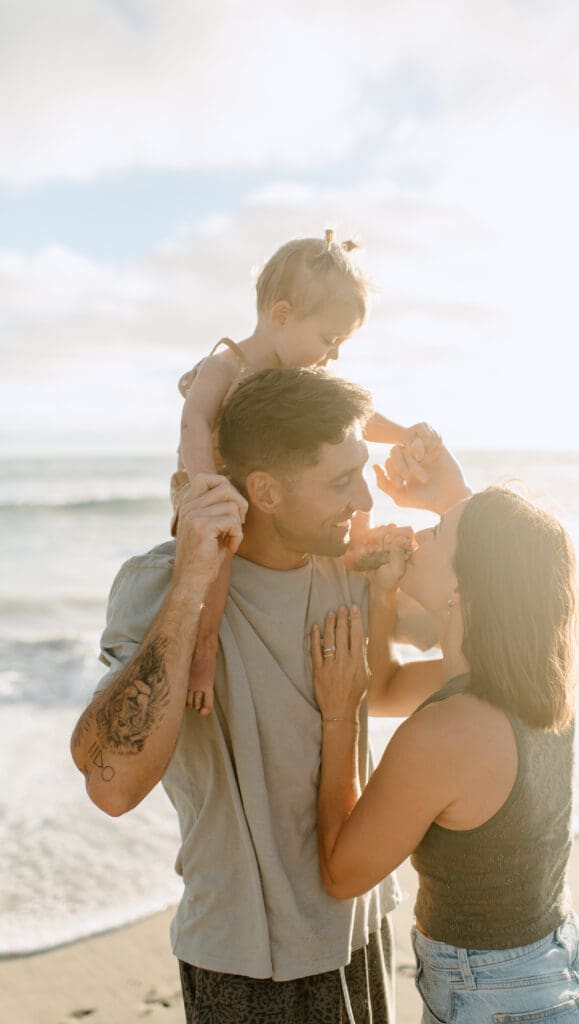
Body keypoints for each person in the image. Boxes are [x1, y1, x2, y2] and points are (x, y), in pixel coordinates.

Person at [70, 368, 435, 1024]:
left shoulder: (350, 565)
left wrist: (449, 501)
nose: (366, 502)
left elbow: (497, 639)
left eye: (362, 472)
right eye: (341, 481)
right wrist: (191, 584)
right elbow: (112, 785)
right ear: (264, 490)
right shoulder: (160, 584)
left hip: (361, 925)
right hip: (242, 960)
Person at [311, 445, 579, 1023]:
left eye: (437, 533)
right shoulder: (539, 674)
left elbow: (341, 872)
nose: (417, 537)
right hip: (553, 975)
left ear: (467, 589)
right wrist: (382, 595)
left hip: (502, 1000)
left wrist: (334, 716)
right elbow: (386, 688)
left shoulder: (449, 732)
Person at [172, 229, 439, 718]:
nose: (333, 355)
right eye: (328, 339)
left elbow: (355, 418)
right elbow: (195, 421)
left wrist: (402, 434)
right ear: (281, 316)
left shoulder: (305, 374)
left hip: (284, 498)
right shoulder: (226, 365)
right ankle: (205, 647)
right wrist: (205, 483)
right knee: (218, 555)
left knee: (343, 496)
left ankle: (359, 553)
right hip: (221, 484)